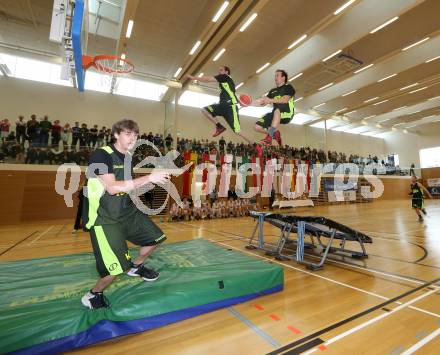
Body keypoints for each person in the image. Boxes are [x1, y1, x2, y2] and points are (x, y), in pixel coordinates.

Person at [81, 119, 169, 309]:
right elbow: (112, 188)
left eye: (135, 135)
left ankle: (136, 267)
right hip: (105, 218)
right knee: (113, 269)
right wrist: (148, 177)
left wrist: (150, 183)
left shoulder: (128, 158)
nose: (133, 138)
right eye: (128, 134)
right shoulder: (101, 155)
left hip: (127, 212)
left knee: (154, 239)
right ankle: (93, 295)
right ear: (116, 135)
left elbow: (127, 187)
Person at [187, 66, 252, 143]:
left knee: (238, 131)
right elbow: (232, 94)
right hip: (222, 106)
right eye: (219, 70)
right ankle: (219, 126)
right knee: (205, 110)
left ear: (226, 72)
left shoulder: (225, 77)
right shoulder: (227, 82)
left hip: (230, 108)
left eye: (221, 70)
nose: (219, 72)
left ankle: (254, 144)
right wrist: (240, 102)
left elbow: (208, 79)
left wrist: (193, 77)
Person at [253, 69, 295, 147]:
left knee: (277, 110)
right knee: (257, 127)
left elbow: (285, 100)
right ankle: (274, 133)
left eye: (277, 75)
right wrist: (249, 103)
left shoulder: (288, 87)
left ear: (283, 78)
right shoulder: (272, 91)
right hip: (276, 113)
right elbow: (263, 102)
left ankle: (269, 138)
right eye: (275, 75)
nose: (275, 77)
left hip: (287, 113)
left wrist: (270, 100)